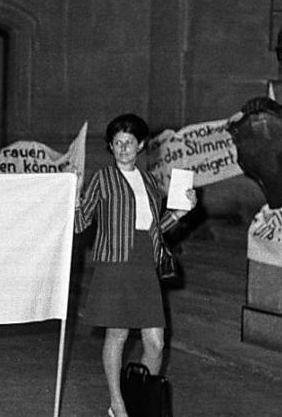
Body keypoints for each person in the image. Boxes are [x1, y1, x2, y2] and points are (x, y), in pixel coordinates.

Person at [74, 113, 195, 417]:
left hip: (145, 263)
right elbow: (80, 223)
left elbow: (155, 229)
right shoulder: (102, 178)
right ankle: (117, 404)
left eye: (129, 142)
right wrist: (69, 199)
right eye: (117, 143)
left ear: (140, 145)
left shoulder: (150, 182)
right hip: (115, 264)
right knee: (118, 334)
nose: (123, 148)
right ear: (110, 146)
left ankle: (137, 399)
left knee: (156, 343)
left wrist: (179, 214)